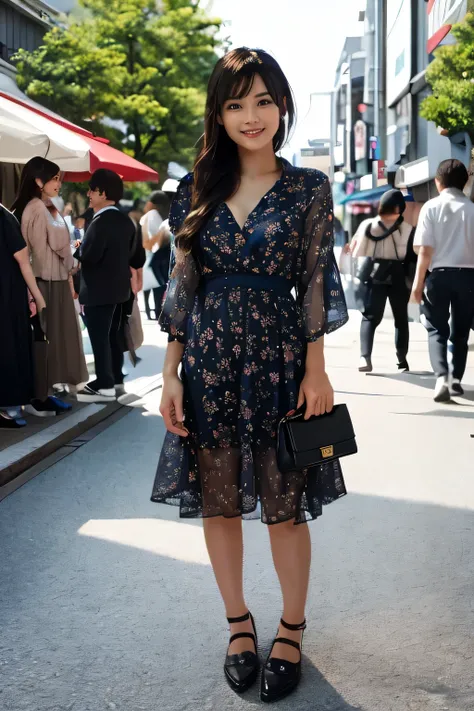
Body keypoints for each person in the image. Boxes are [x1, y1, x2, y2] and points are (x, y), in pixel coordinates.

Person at [151, 47, 348, 703]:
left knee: (284, 505)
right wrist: (170, 372)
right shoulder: (194, 190)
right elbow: (184, 286)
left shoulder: (308, 188)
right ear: (219, 112)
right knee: (219, 499)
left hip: (279, 360)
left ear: (282, 105)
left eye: (263, 100)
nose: (251, 115)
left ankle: (291, 626)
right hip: (206, 362)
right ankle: (239, 623)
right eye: (235, 103)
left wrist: (315, 369)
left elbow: (318, 279)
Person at [11, 157, 88, 416]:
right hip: (44, 283)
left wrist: (73, 249)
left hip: (51, 280)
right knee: (46, 340)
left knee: (52, 339)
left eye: (59, 178)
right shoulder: (36, 208)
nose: (59, 183)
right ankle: (40, 395)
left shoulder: (44, 206)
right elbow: (58, 247)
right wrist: (74, 252)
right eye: (54, 178)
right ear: (38, 181)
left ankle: (46, 392)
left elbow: (63, 246)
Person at [411, 159, 474, 402]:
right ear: (465, 182)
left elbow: (424, 249)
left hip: (439, 276)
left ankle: (441, 378)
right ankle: (456, 379)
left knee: (437, 328)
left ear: (438, 182)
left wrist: (417, 286)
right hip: (469, 277)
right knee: (460, 331)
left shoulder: (431, 207)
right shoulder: (471, 209)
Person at [75, 169, 138, 402]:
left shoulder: (100, 221)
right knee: (113, 335)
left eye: (92, 190)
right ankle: (115, 379)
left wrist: (78, 248)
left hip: (99, 289)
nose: (89, 194)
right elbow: (132, 253)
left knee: (99, 337)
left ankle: (104, 383)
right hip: (120, 289)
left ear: (102, 192)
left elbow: (90, 256)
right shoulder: (125, 220)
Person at [349, 189, 413, 373]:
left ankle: (365, 357)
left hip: (374, 275)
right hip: (398, 275)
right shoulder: (406, 228)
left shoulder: (368, 225)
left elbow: (358, 252)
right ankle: (402, 361)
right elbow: (406, 254)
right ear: (399, 208)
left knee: (369, 317)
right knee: (401, 319)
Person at [0, 203, 46, 428]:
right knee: (9, 346)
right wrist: (36, 295)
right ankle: (9, 406)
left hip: (9, 293)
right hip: (8, 295)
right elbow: (22, 259)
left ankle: (9, 406)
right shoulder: (4, 216)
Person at [140, 190, 170, 320]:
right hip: (152, 257)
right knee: (157, 287)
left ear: (151, 204)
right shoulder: (155, 215)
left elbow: (153, 240)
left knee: (152, 287)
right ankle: (156, 312)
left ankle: (151, 311)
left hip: (150, 257)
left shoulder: (151, 215)